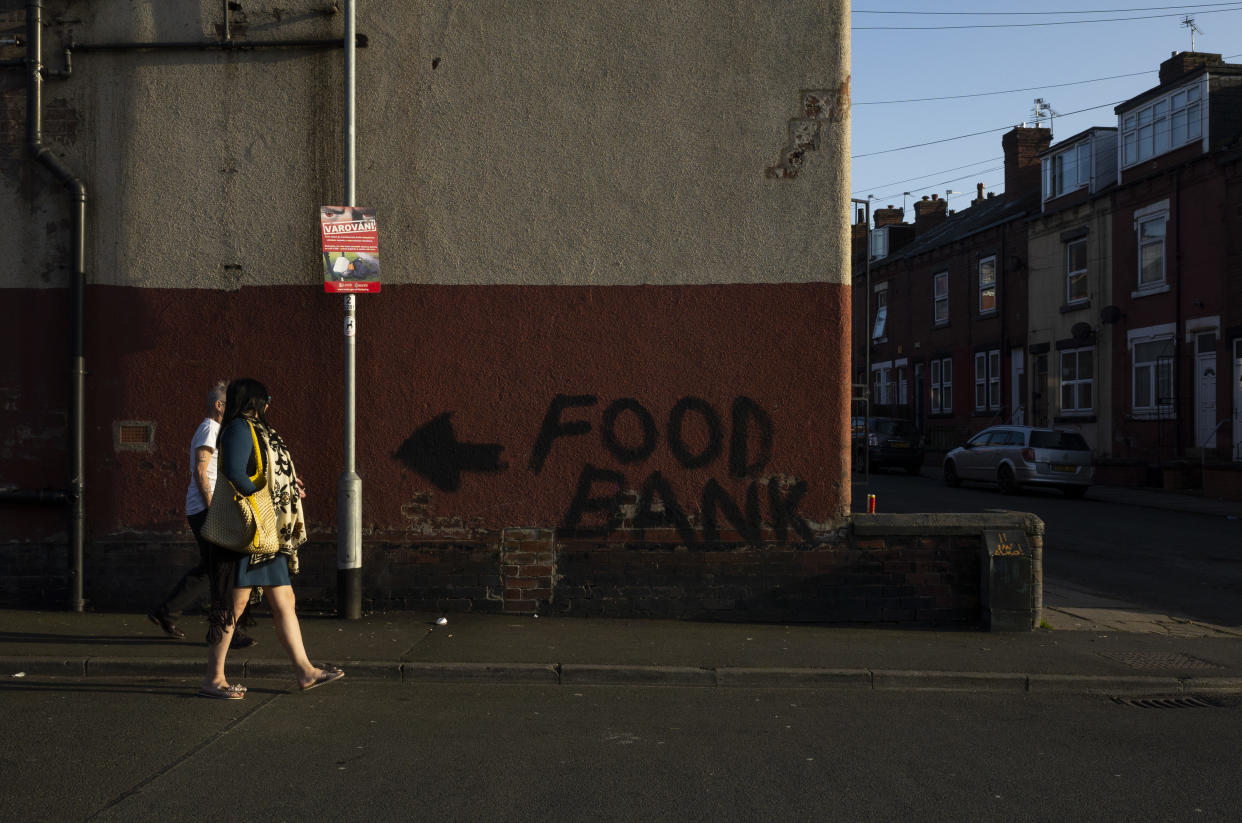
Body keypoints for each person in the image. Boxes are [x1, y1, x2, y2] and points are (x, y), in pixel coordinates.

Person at [199, 378, 344, 699]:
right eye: (266, 398)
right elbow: (235, 472)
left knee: (284, 602)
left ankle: (305, 671)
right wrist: (263, 498)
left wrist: (289, 485)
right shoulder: (239, 428)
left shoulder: (256, 428)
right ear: (254, 400)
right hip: (252, 532)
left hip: (269, 535)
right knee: (232, 607)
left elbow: (270, 469)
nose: (269, 404)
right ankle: (214, 678)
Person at [148, 381, 256, 649]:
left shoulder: (217, 429)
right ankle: (225, 632)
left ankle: (167, 612)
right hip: (206, 509)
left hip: (206, 509)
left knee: (212, 568)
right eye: (229, 403)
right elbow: (200, 471)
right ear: (219, 406)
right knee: (224, 570)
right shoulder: (210, 428)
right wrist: (214, 508)